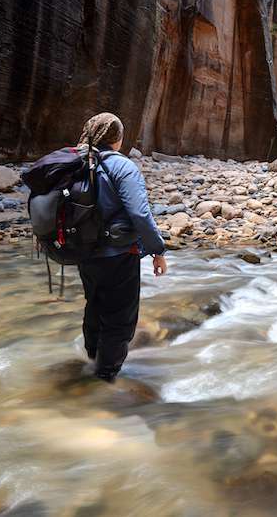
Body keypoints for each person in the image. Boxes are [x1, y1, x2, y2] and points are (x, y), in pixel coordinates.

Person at [76, 112, 167, 382]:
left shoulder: (78, 161)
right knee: (119, 318)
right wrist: (158, 250)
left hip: (83, 251)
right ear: (116, 138)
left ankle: (92, 361)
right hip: (118, 255)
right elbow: (140, 215)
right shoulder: (122, 166)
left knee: (95, 304)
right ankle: (104, 377)